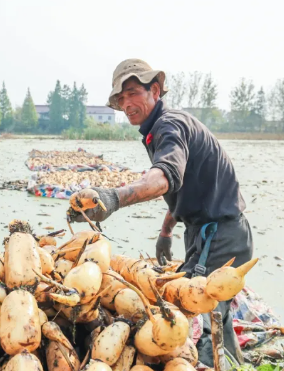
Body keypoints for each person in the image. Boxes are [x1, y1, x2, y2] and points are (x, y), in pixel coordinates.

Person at [69, 59, 252, 366]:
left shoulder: (169, 126)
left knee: (204, 315)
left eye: (132, 93)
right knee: (214, 310)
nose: (127, 104)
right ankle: (233, 361)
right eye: (121, 98)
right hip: (205, 231)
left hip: (220, 233)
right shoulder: (158, 129)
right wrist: (167, 232)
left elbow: (163, 178)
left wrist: (112, 198)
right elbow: (178, 188)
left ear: (155, 90)